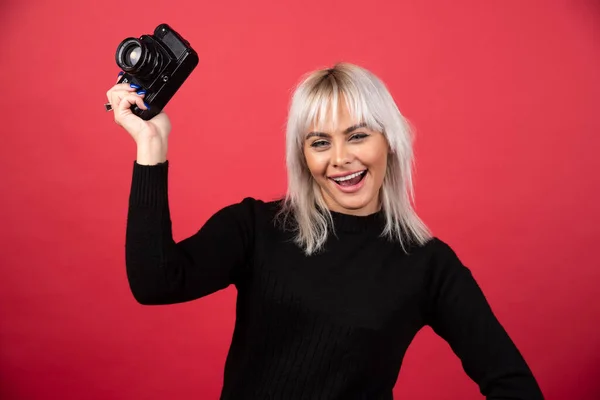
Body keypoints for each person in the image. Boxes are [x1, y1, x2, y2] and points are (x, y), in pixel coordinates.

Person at [106, 63, 544, 399]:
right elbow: (155, 283)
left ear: (389, 141)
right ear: (303, 156)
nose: (339, 158)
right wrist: (151, 146)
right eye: (320, 142)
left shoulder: (428, 264)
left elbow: (514, 385)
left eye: (357, 136)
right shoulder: (257, 227)